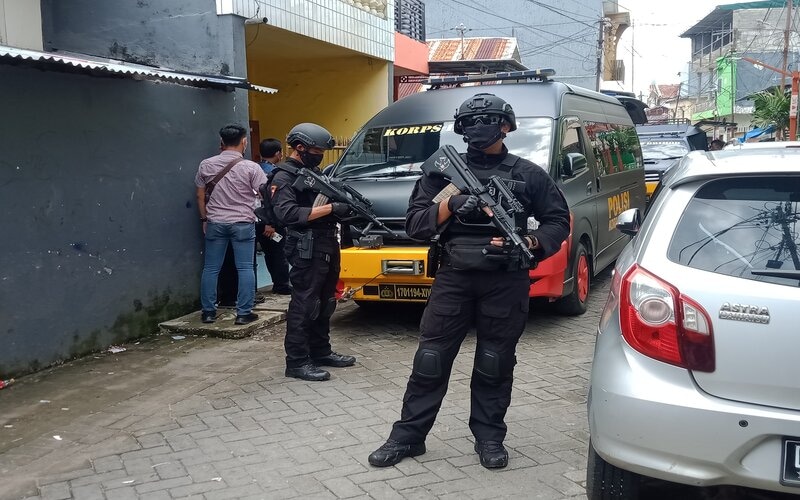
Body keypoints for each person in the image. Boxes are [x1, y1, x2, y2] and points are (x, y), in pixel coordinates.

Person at [368, 93, 571, 469]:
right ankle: (408, 437)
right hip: (454, 278)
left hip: (506, 279)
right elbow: (415, 224)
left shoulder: (528, 174)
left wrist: (529, 242)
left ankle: (490, 437)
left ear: (507, 125)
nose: (479, 128)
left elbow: (557, 221)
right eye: (471, 122)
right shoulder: (444, 173)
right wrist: (451, 204)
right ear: (461, 128)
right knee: (430, 359)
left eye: (489, 120)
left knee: (495, 362)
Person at [270, 123, 357, 381]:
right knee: (305, 303)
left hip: (327, 242)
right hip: (305, 246)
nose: (320, 153)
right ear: (300, 147)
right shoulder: (283, 177)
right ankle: (296, 361)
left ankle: (321, 350)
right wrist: (331, 209)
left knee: (326, 300)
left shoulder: (314, 173)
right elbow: (286, 214)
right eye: (316, 149)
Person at [195, 124, 266, 325]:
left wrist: (204, 219)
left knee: (211, 268)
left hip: (215, 222)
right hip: (243, 222)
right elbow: (265, 194)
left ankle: (208, 312)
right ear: (244, 142)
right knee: (245, 268)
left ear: (221, 143)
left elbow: (200, 195)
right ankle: (244, 313)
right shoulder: (252, 167)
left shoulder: (205, 165)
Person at [256, 138, 291, 295]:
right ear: (278, 154)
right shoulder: (273, 173)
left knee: (266, 255)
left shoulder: (253, 168)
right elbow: (268, 200)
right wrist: (269, 223)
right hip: (270, 220)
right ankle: (282, 285)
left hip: (253, 220)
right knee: (278, 253)